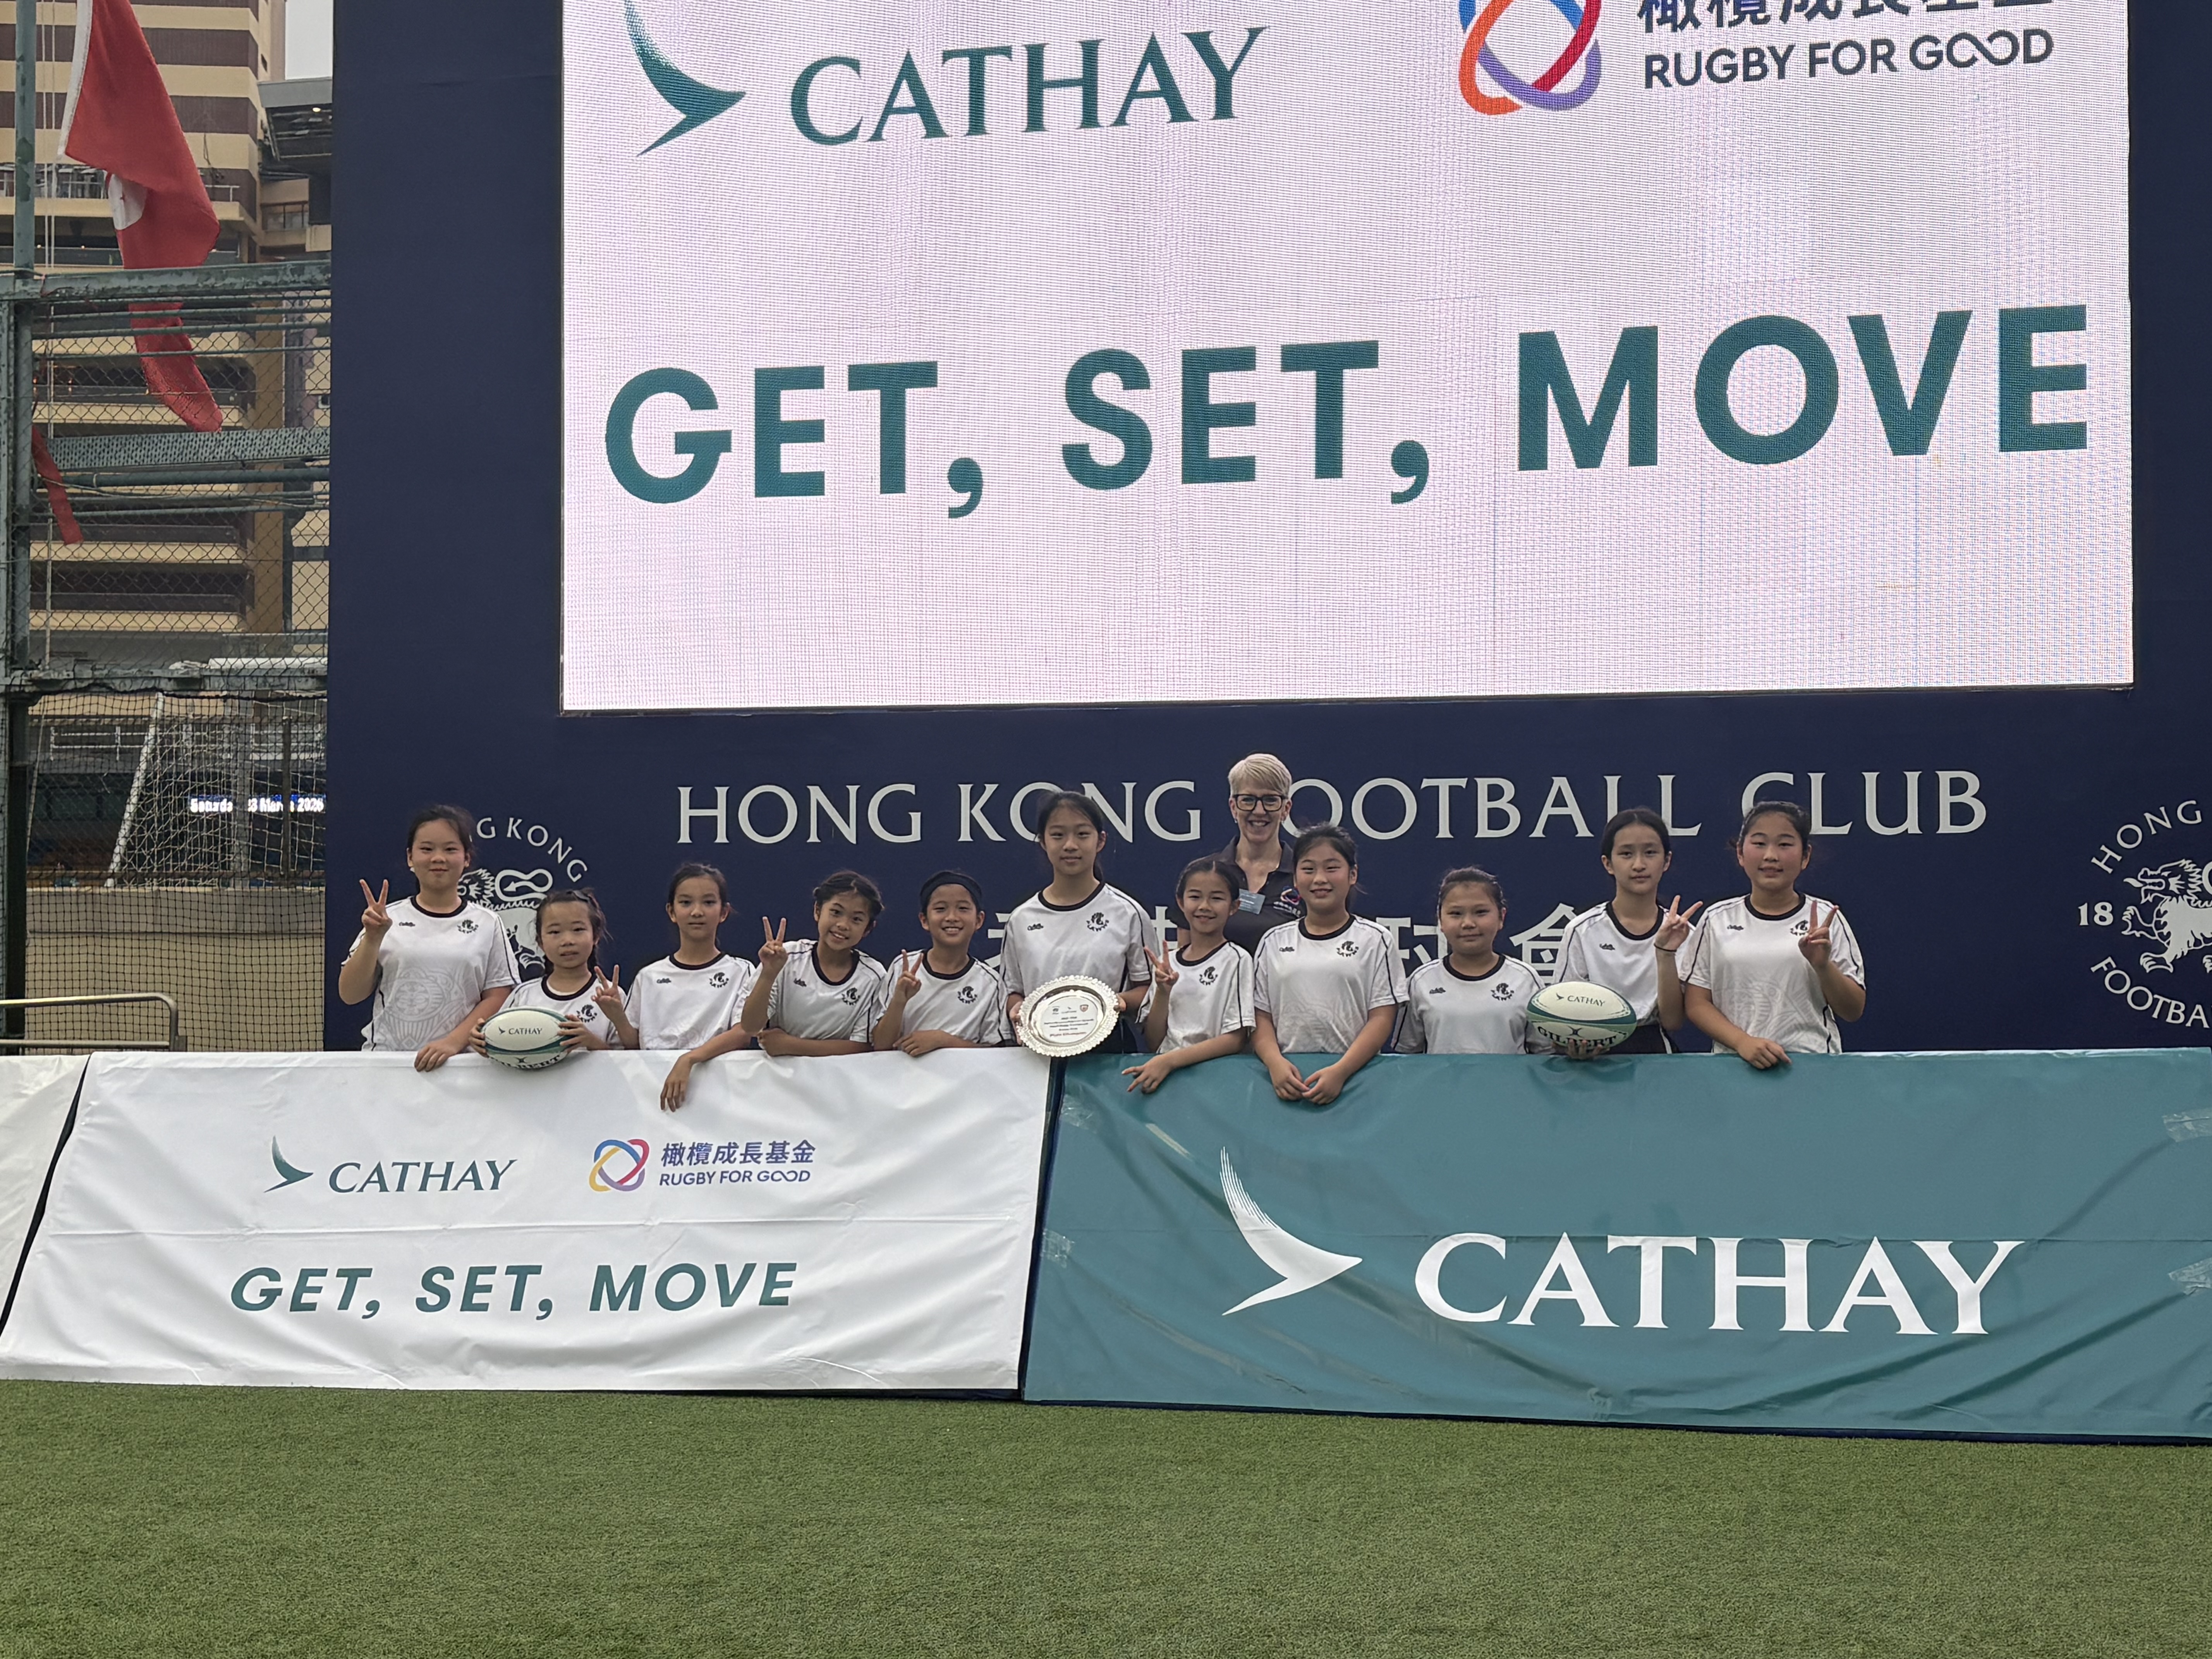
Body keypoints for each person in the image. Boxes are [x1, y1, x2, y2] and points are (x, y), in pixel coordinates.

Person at [1679, 800, 1866, 1069]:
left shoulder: (1827, 919)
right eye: (1759, 843)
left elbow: (1853, 1010)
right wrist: (1743, 1043)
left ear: (1805, 856)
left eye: (1785, 844)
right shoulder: (1717, 919)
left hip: (1813, 1068)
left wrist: (1823, 966)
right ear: (1741, 853)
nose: (1771, 856)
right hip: (1734, 1068)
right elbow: (1697, 1004)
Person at [338, 805, 517, 1071]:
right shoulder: (385, 920)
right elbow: (350, 994)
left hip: (463, 1066)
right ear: (410, 857)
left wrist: (452, 1044)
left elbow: (499, 995)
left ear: (467, 858)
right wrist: (373, 939)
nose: (438, 858)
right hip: (389, 1064)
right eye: (427, 849)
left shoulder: (488, 923)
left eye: (450, 849)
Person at [1251, 825, 1407, 1105]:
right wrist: (1275, 1064)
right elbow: (1261, 1016)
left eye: (1332, 868)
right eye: (1308, 869)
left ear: (1352, 875)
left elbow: (1382, 1017)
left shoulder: (1376, 940)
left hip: (1356, 1081)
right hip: (1287, 1082)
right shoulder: (1273, 942)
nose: (1320, 879)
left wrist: (1342, 1071)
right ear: (1296, 879)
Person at [998, 791, 1154, 1047]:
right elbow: (1012, 991)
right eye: (1058, 835)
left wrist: (1114, 1002)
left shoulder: (1128, 913)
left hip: (1108, 1053)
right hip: (1038, 1055)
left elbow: (1150, 989)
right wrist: (1018, 1009)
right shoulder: (1022, 919)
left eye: (1082, 834)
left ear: (1100, 841)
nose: (1070, 845)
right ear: (1043, 842)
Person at [1556, 808, 1698, 1053]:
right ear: (1608, 864)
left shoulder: (1683, 934)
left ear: (1667, 861)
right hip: (1594, 1052)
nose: (1639, 865)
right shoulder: (1582, 930)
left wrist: (1665, 953)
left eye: (1650, 853)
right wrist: (1576, 1044)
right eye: (1626, 854)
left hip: (1655, 1054)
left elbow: (1673, 1021)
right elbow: (1562, 1013)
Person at [630, 864, 763, 1111]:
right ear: (672, 912)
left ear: (724, 912)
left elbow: (743, 1032)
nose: (697, 912)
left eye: (709, 903)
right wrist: (616, 1015)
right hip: (652, 1095)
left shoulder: (741, 970)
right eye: (686, 903)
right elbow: (630, 1043)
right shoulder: (648, 976)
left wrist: (690, 1059)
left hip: (720, 1095)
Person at [1124, 856, 1255, 1094]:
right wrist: (1163, 992)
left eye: (1216, 898)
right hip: (1167, 1081)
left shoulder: (1237, 960)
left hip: (1216, 1081)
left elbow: (1236, 1039)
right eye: (1195, 897)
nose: (1204, 906)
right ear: (1181, 902)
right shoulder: (1168, 964)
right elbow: (1154, 1042)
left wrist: (1172, 1061)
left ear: (1234, 907)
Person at [737, 871, 891, 1058]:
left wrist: (791, 1045)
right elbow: (751, 1027)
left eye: (857, 919)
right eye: (836, 913)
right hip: (778, 1073)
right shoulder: (785, 957)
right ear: (818, 911)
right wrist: (768, 975)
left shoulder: (874, 977)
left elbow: (864, 1047)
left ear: (868, 929)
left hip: (838, 1074)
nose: (843, 925)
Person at [1398, 867, 1544, 1054]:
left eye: (1481, 912)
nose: (1468, 924)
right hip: (1441, 1076)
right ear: (1440, 920)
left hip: (1510, 1076)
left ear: (1502, 917)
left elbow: (1544, 1052)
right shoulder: (1421, 982)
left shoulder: (1525, 979)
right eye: (1456, 914)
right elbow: (1407, 1054)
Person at [871, 871, 1010, 1053]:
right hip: (903, 1072)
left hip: (965, 1073)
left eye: (963, 909)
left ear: (979, 920)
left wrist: (943, 1041)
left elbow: (997, 1055)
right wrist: (899, 1001)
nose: (952, 917)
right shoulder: (903, 969)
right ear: (924, 920)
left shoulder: (991, 983)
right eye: (941, 909)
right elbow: (880, 1046)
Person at [480, 889, 623, 1052]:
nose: (567, 941)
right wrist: (483, 1042)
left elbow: (629, 1058)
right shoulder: (524, 996)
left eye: (578, 930)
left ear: (595, 936)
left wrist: (591, 1042)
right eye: (555, 932)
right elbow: (499, 1042)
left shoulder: (610, 995)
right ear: (540, 942)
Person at [1219, 752, 1305, 953]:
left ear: (1286, 809)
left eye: (1270, 800)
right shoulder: (1206, 874)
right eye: (1248, 800)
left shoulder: (1306, 875)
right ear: (1233, 807)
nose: (1259, 811)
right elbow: (1188, 958)